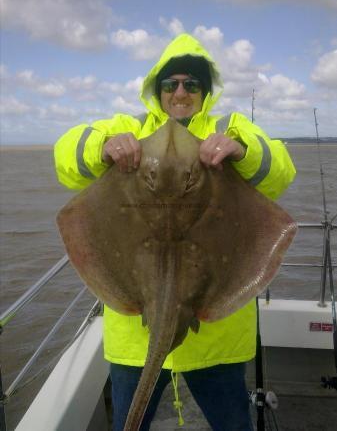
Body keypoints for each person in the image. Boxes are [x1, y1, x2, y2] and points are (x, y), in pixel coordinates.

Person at [54, 33, 296, 431]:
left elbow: (281, 171)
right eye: (171, 84)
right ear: (157, 89)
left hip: (216, 342)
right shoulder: (126, 127)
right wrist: (102, 147)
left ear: (204, 90)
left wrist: (242, 151)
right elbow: (65, 156)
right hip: (135, 342)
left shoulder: (231, 127)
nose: (180, 92)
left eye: (191, 83)